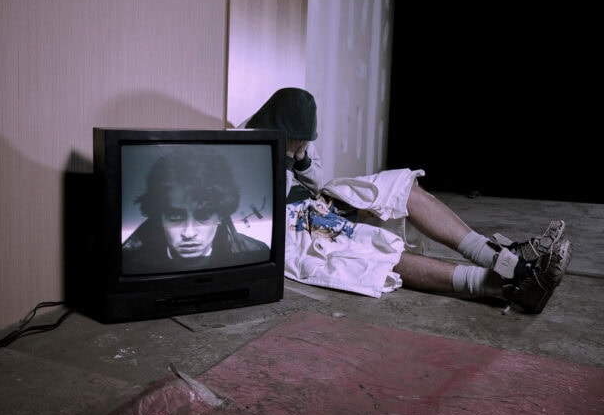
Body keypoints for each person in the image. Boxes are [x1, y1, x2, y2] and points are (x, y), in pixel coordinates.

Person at [242, 87, 572, 314]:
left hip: (321, 201)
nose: (303, 143)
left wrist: (300, 158)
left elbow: (318, 180)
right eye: (298, 139)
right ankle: (510, 284)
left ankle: (500, 255)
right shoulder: (244, 144)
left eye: (305, 139)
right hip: (289, 223)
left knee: (401, 187)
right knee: (374, 249)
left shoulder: (298, 137)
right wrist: (286, 158)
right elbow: (264, 205)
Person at [122, 145, 270, 273]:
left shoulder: (255, 252)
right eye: (175, 216)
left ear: (221, 215)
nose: (189, 233)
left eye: (204, 215)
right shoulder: (128, 260)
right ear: (159, 217)